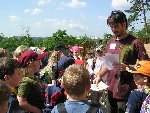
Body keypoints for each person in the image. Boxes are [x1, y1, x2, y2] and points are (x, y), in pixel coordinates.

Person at [93, 10, 149, 113]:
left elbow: (146, 67)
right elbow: (107, 64)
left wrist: (127, 68)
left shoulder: (136, 43)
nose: (114, 29)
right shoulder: (110, 42)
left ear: (124, 24)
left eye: (116, 26)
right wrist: (99, 76)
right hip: (110, 89)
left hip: (126, 91)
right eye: (111, 27)